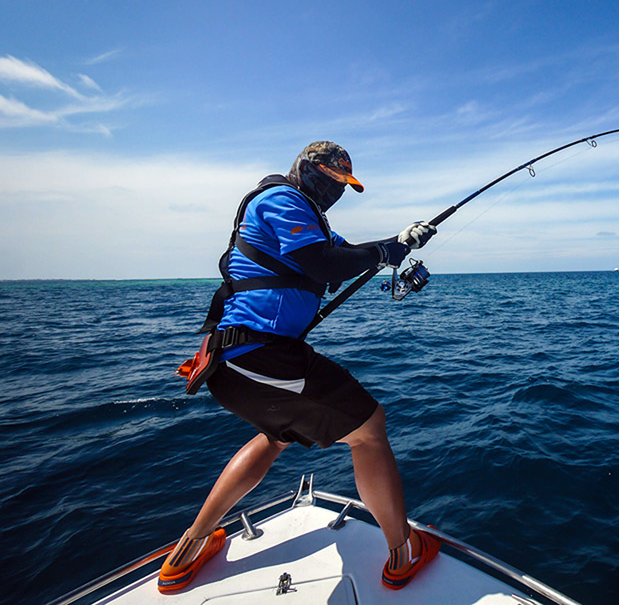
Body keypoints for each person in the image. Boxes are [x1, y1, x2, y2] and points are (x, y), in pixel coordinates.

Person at [158, 142, 439, 593]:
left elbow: (346, 259)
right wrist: (385, 251)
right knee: (369, 430)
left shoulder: (312, 222)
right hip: (259, 355)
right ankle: (403, 552)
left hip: (242, 363)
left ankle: (186, 551)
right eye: (332, 181)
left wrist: (401, 243)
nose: (337, 192)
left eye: (344, 186)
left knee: (276, 437)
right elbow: (320, 263)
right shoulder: (281, 200)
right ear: (310, 171)